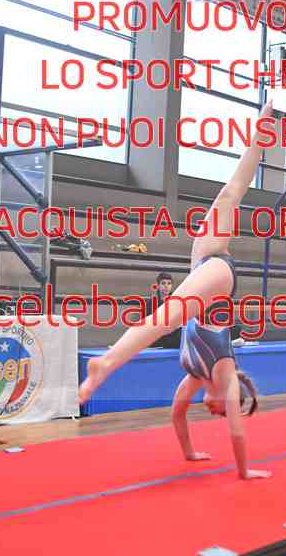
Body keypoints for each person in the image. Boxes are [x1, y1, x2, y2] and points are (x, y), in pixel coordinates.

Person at [79, 101, 275, 480]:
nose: (215, 411)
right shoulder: (225, 373)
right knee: (168, 314)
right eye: (222, 410)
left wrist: (190, 453)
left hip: (203, 267)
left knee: (229, 195)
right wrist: (244, 472)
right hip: (219, 278)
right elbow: (237, 431)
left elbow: (177, 414)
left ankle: (106, 363)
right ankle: (262, 131)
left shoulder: (194, 375)